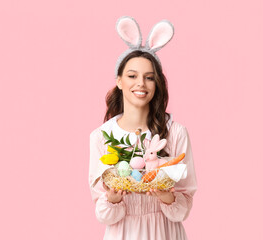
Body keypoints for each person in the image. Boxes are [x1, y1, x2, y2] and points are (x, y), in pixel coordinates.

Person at [89, 16, 197, 240]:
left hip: (165, 233)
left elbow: (184, 205)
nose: (140, 84)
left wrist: (167, 197)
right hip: (123, 234)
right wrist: (113, 199)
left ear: (157, 84)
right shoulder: (100, 137)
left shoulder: (175, 132)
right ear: (119, 81)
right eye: (132, 76)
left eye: (149, 77)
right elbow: (103, 213)